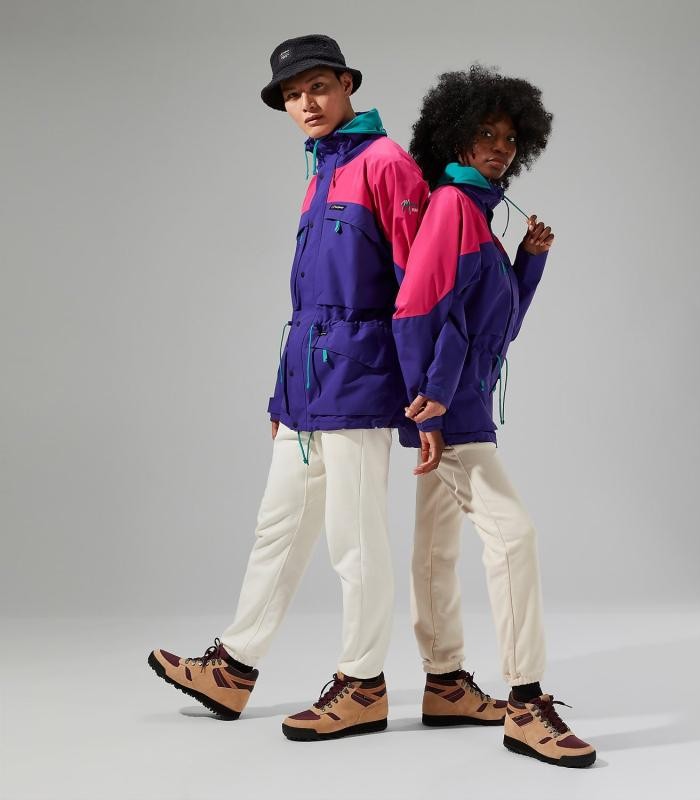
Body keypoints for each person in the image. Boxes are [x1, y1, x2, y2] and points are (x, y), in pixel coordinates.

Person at [148, 34, 429, 742]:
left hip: (361, 380)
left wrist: (426, 394)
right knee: (277, 526)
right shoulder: (322, 169)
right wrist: (284, 395)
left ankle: (363, 684)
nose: (307, 103)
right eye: (293, 95)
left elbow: (419, 286)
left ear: (347, 85)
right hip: (308, 385)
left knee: (354, 542)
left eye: (318, 87)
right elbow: (308, 300)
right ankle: (234, 668)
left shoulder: (386, 163)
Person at [392, 64, 596, 767]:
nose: (500, 148)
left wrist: (528, 262)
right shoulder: (454, 205)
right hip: (450, 408)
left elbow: (496, 329)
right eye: (486, 134)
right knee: (513, 537)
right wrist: (429, 404)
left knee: (436, 546)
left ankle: (445, 682)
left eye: (510, 139)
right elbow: (417, 308)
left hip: (458, 399)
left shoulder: (479, 215)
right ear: (456, 138)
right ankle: (526, 702)